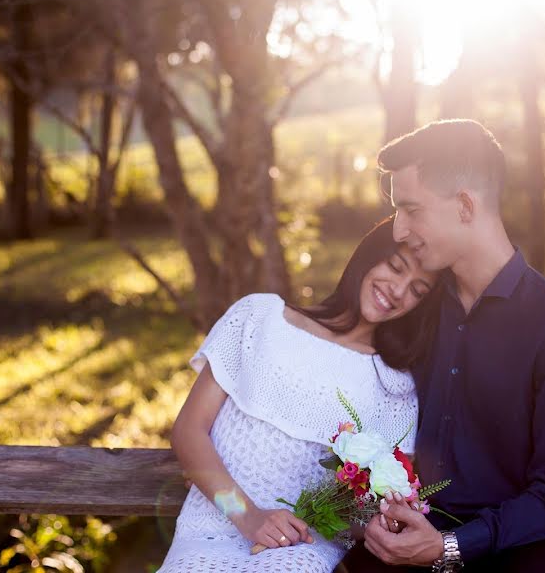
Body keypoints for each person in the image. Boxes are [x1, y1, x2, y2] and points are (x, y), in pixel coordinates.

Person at [338, 119, 545, 573]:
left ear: (464, 205)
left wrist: (450, 547)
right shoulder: (412, 308)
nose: (399, 230)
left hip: (521, 550)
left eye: (411, 209)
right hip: (411, 532)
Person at [156, 217, 441, 573]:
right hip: (210, 528)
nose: (399, 291)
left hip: (301, 547)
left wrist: (377, 521)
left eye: (417, 291)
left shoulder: (395, 385)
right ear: (367, 256)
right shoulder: (259, 317)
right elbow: (189, 430)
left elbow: (368, 511)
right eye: (396, 268)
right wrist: (248, 517)